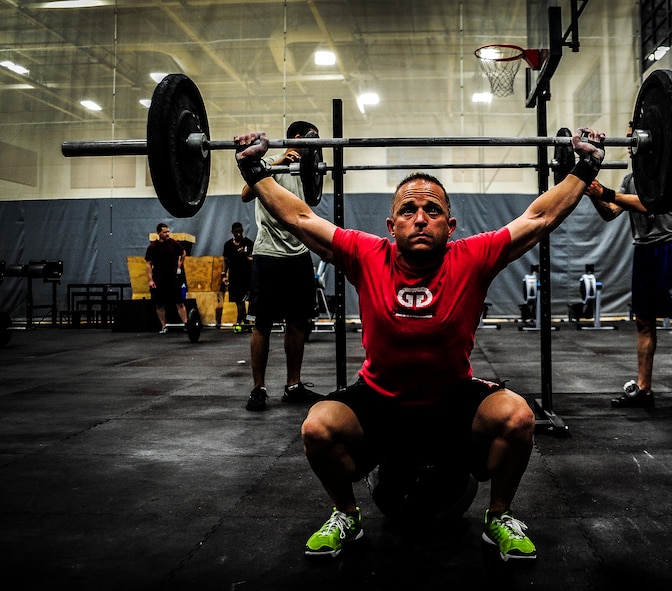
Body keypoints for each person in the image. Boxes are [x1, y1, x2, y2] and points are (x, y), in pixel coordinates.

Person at [233, 125, 608, 561]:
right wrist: (254, 170)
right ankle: (346, 515)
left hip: (452, 399)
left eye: (432, 210)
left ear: (450, 225)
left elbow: (539, 218)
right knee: (317, 427)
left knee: (518, 417)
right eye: (408, 210)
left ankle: (499, 515)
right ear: (392, 226)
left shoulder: (473, 257)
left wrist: (585, 166)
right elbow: (300, 218)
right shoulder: (365, 254)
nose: (420, 217)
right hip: (379, 398)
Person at [585, 154, 672, 416]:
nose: (631, 149)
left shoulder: (666, 177)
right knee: (643, 322)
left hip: (671, 247)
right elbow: (611, 212)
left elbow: (649, 205)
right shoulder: (629, 180)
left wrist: (606, 191)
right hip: (644, 251)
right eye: (630, 144)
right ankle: (644, 389)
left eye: (635, 142)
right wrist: (594, 194)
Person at [240, 121, 322, 411]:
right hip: (268, 254)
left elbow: (314, 198)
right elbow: (245, 194)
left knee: (298, 323)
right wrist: (275, 162)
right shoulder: (268, 164)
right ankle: (258, 388)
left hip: (299, 253)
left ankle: (293, 386)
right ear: (298, 138)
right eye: (312, 139)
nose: (315, 144)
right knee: (262, 324)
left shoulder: (308, 169)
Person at [145, 223, 188, 333]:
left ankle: (186, 324)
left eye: (168, 231)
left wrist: (179, 266)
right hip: (159, 278)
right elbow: (148, 264)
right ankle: (164, 326)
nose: (167, 234)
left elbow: (183, 253)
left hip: (173, 278)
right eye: (165, 232)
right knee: (159, 304)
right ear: (159, 233)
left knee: (180, 302)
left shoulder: (173, 243)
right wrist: (150, 280)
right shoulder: (152, 247)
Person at [221, 222, 254, 327]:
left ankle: (243, 322)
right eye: (236, 232)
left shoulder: (248, 243)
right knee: (238, 301)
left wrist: (248, 257)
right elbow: (225, 261)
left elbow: (255, 258)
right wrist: (223, 275)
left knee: (247, 300)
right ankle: (243, 322)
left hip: (247, 276)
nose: (239, 234)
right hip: (234, 277)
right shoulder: (228, 245)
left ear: (242, 231)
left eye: (240, 232)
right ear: (232, 232)